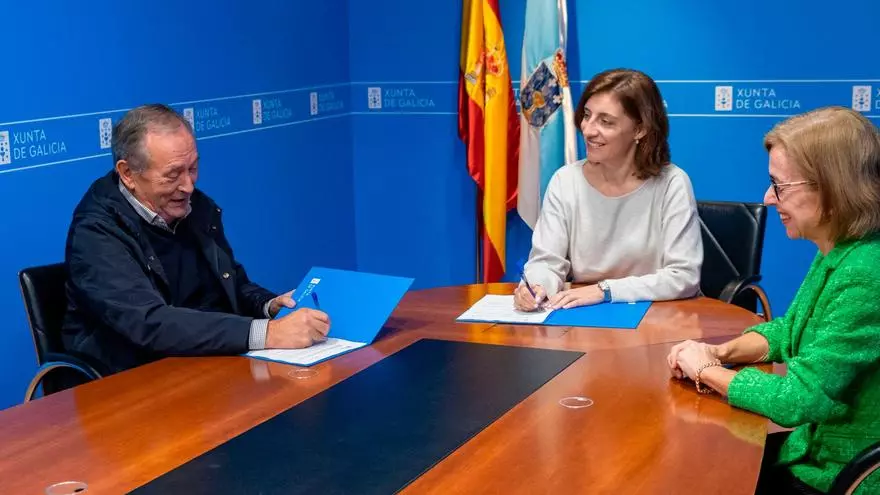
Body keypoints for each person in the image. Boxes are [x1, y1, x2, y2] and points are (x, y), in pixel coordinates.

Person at [668, 106, 880, 495]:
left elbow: (799, 399)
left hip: (843, 475)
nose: (768, 199)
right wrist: (719, 352)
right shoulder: (840, 248)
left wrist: (706, 372)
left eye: (779, 186)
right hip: (816, 450)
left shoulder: (866, 274)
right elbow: (790, 329)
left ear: (832, 187)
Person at [62, 104, 330, 373]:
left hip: (208, 363)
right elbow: (149, 323)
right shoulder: (95, 232)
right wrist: (268, 333)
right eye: (173, 174)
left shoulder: (196, 208)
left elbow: (232, 286)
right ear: (128, 173)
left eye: (192, 168)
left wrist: (269, 307)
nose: (188, 186)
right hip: (131, 377)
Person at [514, 68, 702, 311]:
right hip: (583, 315)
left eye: (606, 122)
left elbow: (683, 276)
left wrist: (605, 291)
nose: (588, 130)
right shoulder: (565, 180)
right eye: (587, 115)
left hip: (658, 315)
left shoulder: (672, 183)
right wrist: (537, 285)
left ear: (640, 129)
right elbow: (546, 261)